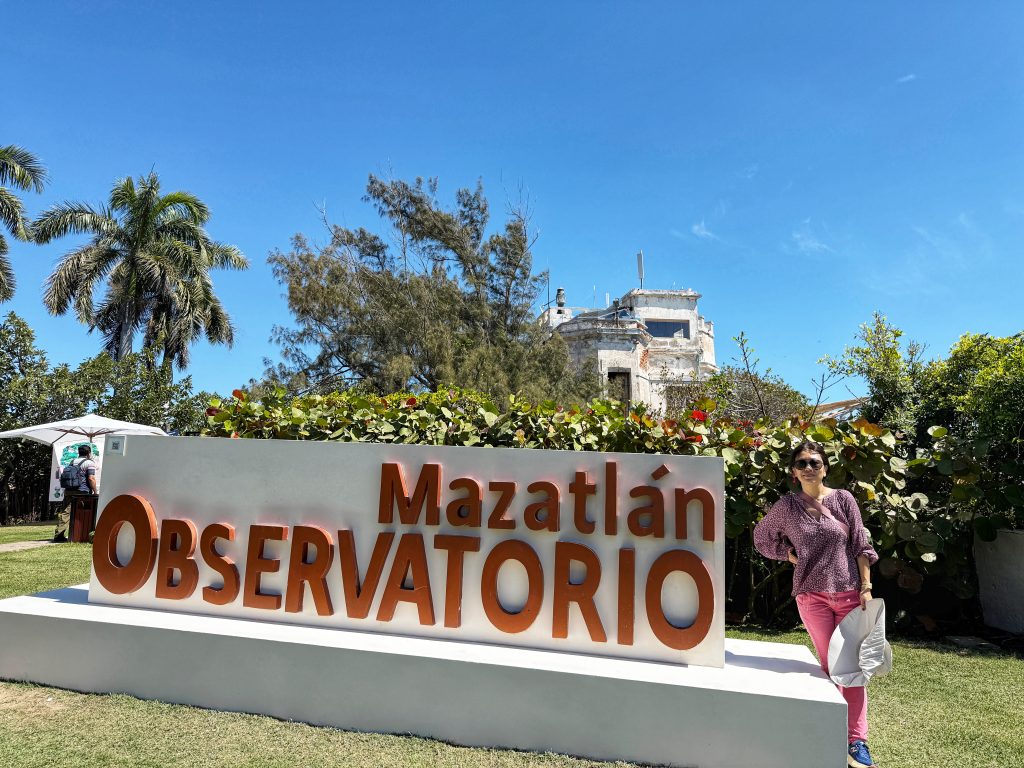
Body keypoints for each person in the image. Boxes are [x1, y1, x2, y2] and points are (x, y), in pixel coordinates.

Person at [753, 440, 880, 768]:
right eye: (802, 463)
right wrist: (788, 554)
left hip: (850, 593)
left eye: (815, 462)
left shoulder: (843, 499)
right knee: (829, 665)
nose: (809, 467)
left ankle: (857, 741)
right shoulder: (787, 506)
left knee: (851, 667)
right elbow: (762, 538)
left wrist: (866, 586)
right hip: (812, 596)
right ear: (794, 472)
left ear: (825, 467)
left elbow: (860, 544)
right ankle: (831, 733)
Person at [52, 444, 99, 543]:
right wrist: (95, 491)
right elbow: (91, 478)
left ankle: (59, 535)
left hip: (69, 490)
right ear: (89, 453)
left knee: (65, 512)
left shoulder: (72, 461)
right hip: (82, 491)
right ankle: (82, 534)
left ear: (79, 452)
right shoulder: (89, 463)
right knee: (85, 512)